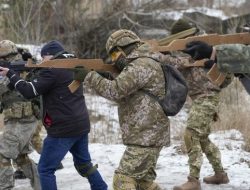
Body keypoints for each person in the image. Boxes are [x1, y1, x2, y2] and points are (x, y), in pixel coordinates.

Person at [0, 40, 107, 190]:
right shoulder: (73, 65)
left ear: (50, 56)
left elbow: (29, 91)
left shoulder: (53, 70)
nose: (42, 61)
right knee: (84, 165)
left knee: (45, 169)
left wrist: (10, 74)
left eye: (44, 58)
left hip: (63, 129)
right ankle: (101, 188)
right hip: (81, 125)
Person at [73, 29, 171, 190]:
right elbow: (128, 90)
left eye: (114, 54)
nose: (114, 60)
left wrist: (89, 76)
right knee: (143, 183)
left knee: (122, 180)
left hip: (146, 136)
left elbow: (115, 91)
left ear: (124, 47)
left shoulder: (140, 65)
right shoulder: (144, 62)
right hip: (148, 134)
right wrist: (105, 75)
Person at [164, 20, 230, 190]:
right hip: (201, 99)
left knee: (191, 135)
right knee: (202, 139)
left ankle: (193, 181)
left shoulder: (205, 50)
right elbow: (176, 64)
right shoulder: (183, 53)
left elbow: (226, 78)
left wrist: (213, 59)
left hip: (208, 98)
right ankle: (220, 174)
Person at [0, 40, 41, 189]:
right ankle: (41, 184)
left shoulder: (24, 68)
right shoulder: (20, 66)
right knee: (21, 157)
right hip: (17, 120)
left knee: (2, 155)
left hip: (23, 120)